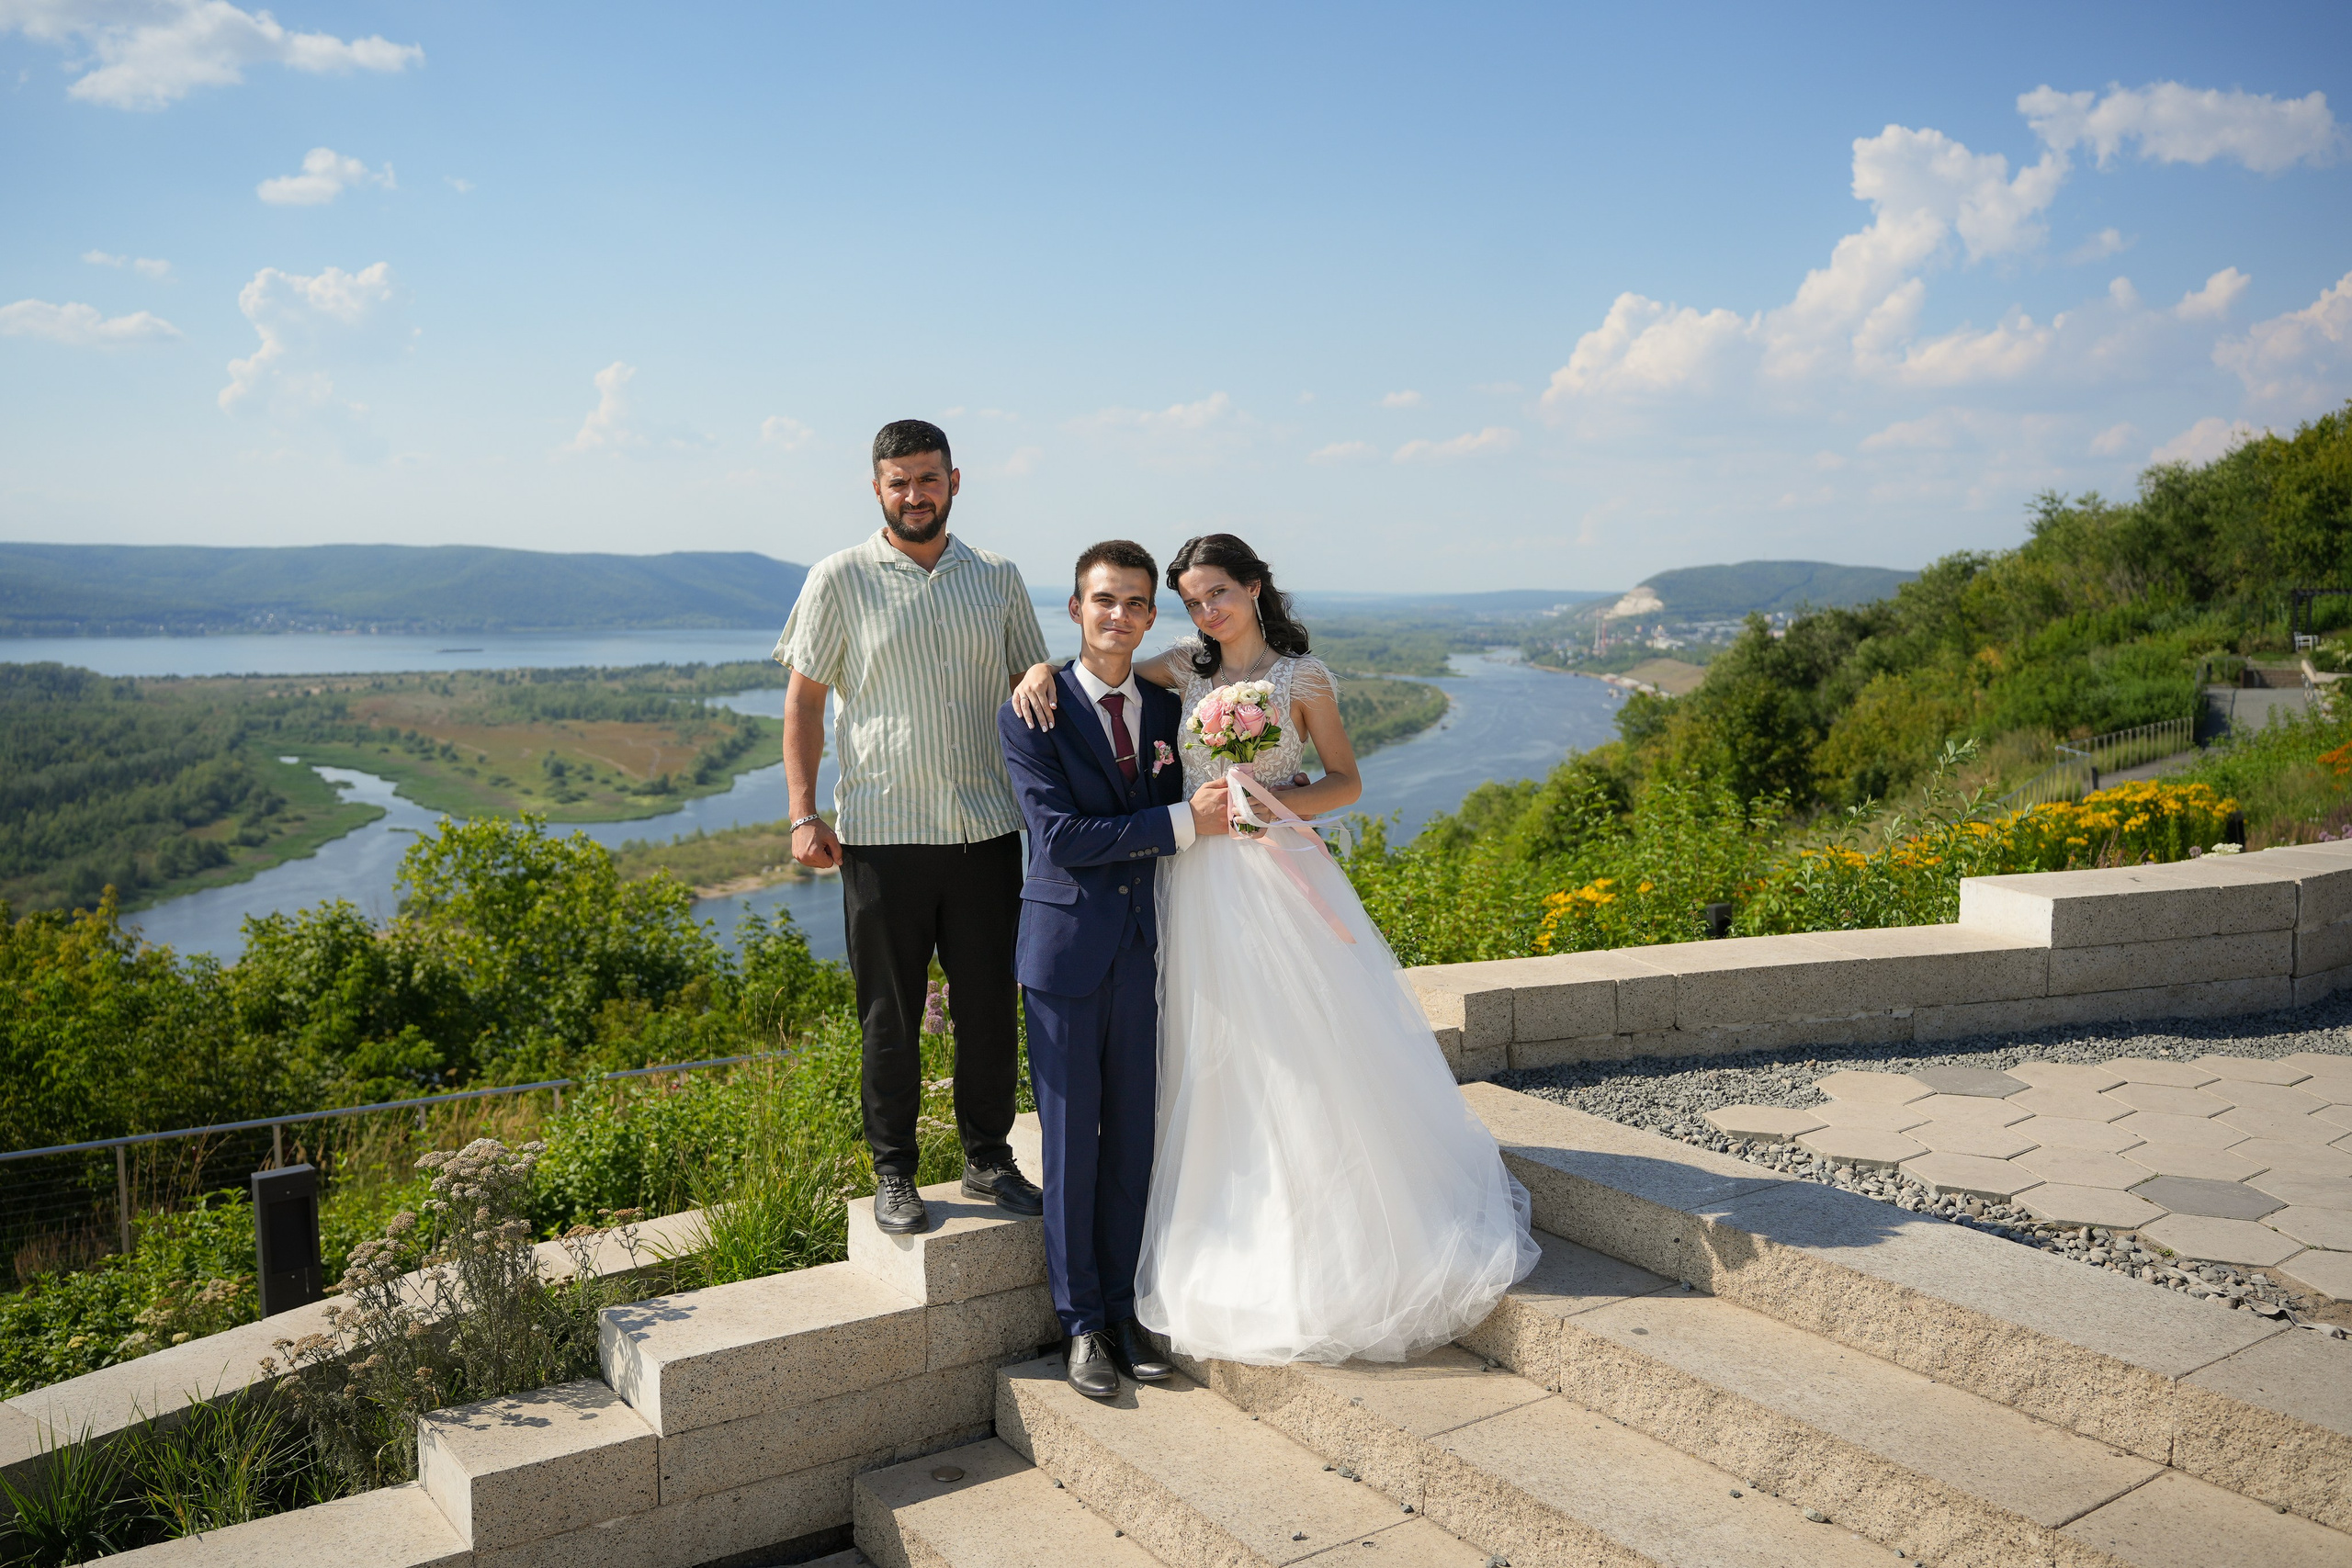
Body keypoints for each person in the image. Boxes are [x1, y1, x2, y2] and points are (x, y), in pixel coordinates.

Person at [1012, 533, 1538, 1370]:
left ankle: (1322, 1246)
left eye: (1217, 592)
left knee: (1296, 1061)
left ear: (1255, 586)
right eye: (1192, 600)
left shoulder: (1302, 677)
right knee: (1205, 1067)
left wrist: (1272, 802)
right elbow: (1101, 666)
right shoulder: (1180, 672)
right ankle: (1111, 1311)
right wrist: (1038, 668)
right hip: (1189, 891)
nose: (1206, 610)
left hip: (1273, 882)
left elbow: (1345, 780)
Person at [775, 418, 1051, 1237]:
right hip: (881, 838)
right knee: (889, 1017)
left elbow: (1031, 686)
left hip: (987, 831)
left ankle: (988, 1158)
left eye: (928, 478)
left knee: (989, 1010)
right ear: (877, 489)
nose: (915, 494)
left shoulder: (998, 577)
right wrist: (802, 813)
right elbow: (804, 705)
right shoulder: (838, 578)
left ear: (954, 482)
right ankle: (893, 1171)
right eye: (899, 481)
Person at [997, 541, 1230, 1399]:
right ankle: (1082, 1324)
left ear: (1150, 615)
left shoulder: (1168, 709)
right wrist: (1181, 823)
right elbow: (1059, 838)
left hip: (1147, 951)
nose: (1119, 615)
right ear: (1075, 608)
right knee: (1071, 1147)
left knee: (1134, 1139)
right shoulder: (1033, 709)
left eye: (1135, 602)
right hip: (1064, 956)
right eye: (1104, 600)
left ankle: (1129, 1310)